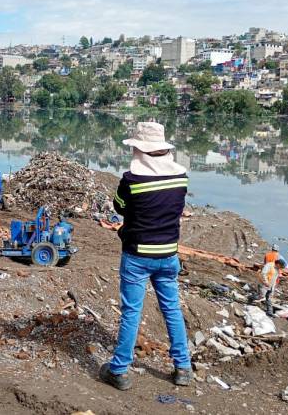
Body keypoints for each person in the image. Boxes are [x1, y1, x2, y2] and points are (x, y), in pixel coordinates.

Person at [99, 122, 193, 391]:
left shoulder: (132, 180)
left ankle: (118, 369)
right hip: (168, 254)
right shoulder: (181, 178)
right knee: (172, 309)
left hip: (137, 255)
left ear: (139, 150)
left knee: (131, 312)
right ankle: (183, 368)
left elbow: (120, 207)